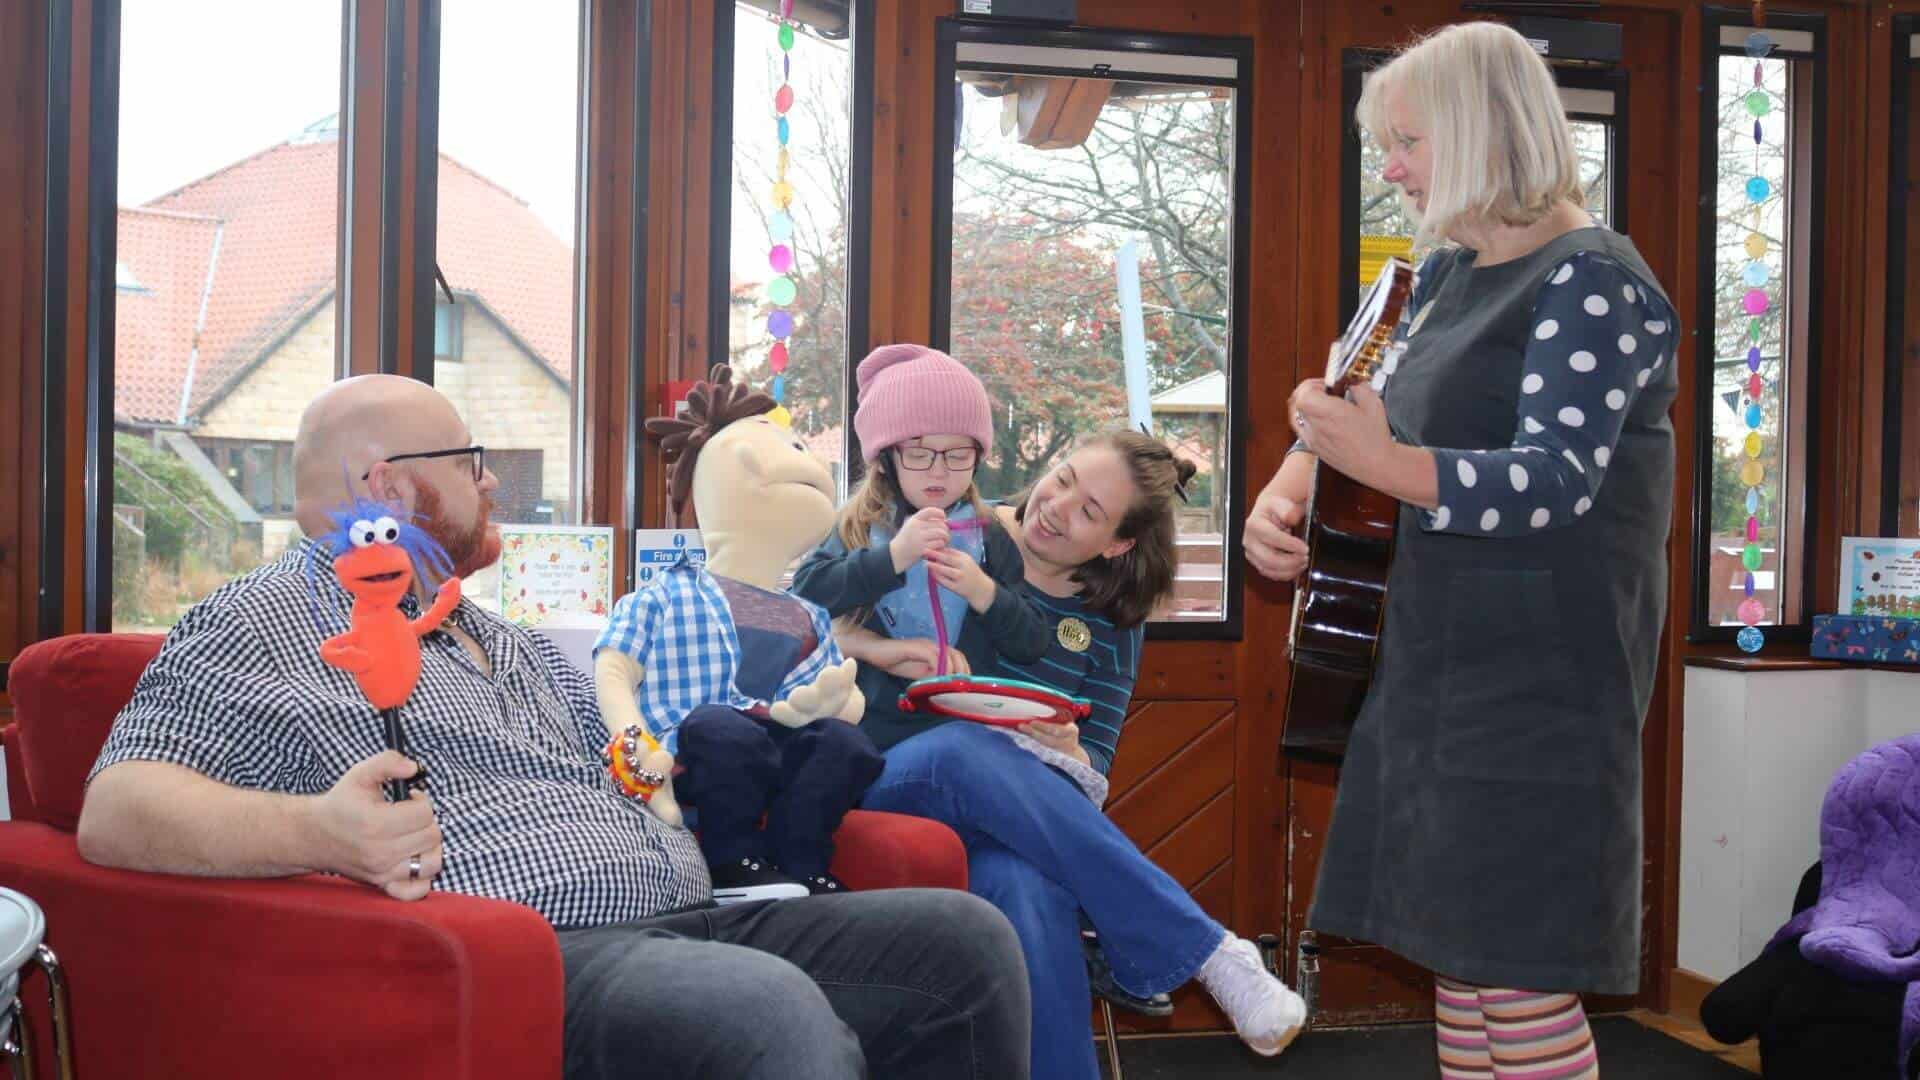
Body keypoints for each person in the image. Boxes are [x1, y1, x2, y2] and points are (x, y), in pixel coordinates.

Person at [74, 374, 1031, 1080]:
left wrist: (767, 736)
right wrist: (323, 832)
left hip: (694, 913)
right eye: (470, 465)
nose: (491, 486)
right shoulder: (259, 619)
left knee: (963, 942)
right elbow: (114, 809)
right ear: (392, 488)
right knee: (766, 1012)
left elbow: (640, 765)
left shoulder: (502, 636)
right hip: (533, 951)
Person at [1244, 22, 1679, 1080]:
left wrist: (1380, 463)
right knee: (1464, 970)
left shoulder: (1594, 280)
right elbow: (1354, 408)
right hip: (1441, 665)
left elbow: (1554, 481)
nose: (1388, 166)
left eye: (1406, 140)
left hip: (1542, 685)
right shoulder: (1435, 277)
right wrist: (1289, 486)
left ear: (1484, 133)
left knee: (1515, 975)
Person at [840, 429, 1307, 1080]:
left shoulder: (1114, 625)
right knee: (964, 748)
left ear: (1118, 544)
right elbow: (811, 613)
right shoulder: (953, 532)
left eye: (1089, 510)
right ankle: (1205, 948)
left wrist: (1069, 750)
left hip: (1004, 830)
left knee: (1027, 887)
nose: (1057, 506)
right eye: (1063, 479)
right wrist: (879, 651)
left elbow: (1095, 767)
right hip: (891, 784)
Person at [792, 343, 1053, 755]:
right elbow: (802, 601)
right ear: (884, 459)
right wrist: (893, 557)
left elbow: (1033, 642)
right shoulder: (859, 527)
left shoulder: (986, 534)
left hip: (970, 732)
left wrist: (984, 592)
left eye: (958, 454)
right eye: (918, 454)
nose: (939, 469)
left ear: (978, 456)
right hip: (868, 733)